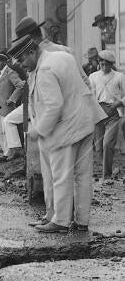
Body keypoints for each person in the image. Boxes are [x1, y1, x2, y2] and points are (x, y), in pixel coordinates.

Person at [7, 33, 106, 233]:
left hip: (65, 130)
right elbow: (84, 83)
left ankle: (59, 221)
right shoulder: (63, 55)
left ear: (33, 51)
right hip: (85, 123)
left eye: (23, 59)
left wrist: (38, 130)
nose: (22, 65)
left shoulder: (44, 70)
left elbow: (54, 106)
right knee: (83, 176)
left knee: (60, 176)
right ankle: (81, 221)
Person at [89, 50, 125, 178]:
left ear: (112, 64)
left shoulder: (119, 76)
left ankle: (107, 175)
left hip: (113, 114)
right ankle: (109, 169)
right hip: (98, 113)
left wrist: (119, 103)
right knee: (98, 148)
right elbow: (90, 96)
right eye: (102, 63)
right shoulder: (93, 76)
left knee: (107, 144)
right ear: (99, 63)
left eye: (107, 63)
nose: (104, 65)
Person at [0, 48, 25, 160]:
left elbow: (20, 85)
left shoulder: (10, 72)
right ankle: (6, 152)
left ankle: (11, 152)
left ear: (4, 62)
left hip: (6, 106)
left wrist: (12, 99)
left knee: (6, 129)